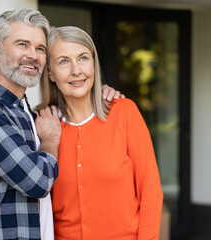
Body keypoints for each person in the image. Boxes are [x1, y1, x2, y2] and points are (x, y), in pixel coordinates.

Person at [0, 9, 122, 240]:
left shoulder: (27, 110)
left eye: (40, 48)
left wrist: (96, 93)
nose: (33, 55)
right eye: (22, 44)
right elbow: (37, 181)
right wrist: (50, 140)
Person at [39, 26, 163, 239]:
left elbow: (150, 192)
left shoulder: (125, 113)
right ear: (50, 72)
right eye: (63, 61)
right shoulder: (41, 125)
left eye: (83, 58)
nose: (76, 70)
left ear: (94, 64)